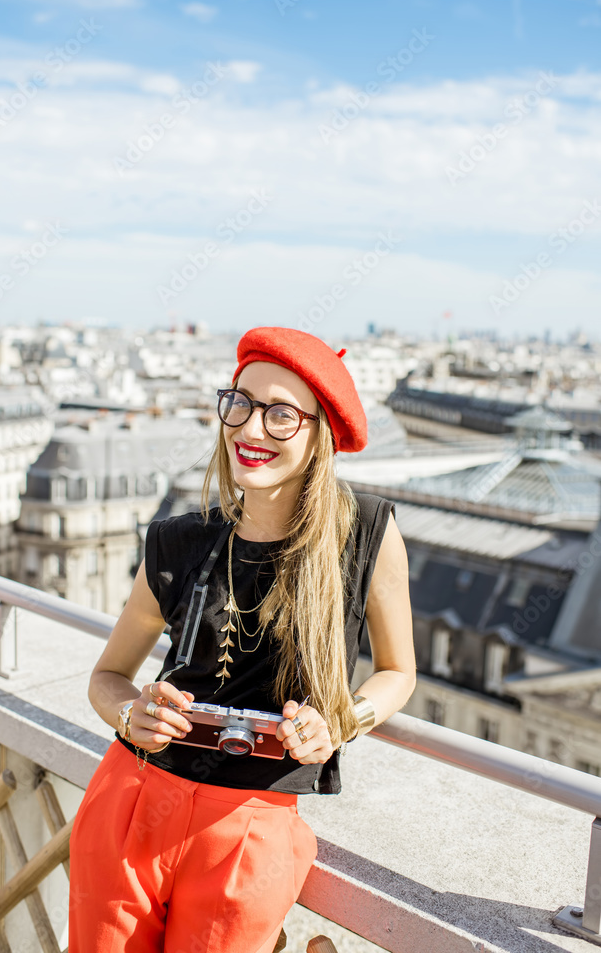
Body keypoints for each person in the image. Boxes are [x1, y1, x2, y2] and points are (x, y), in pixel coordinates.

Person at [67, 325, 416, 953]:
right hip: (134, 796)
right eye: (241, 404)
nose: (251, 430)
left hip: (254, 819)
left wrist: (340, 722)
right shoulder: (178, 539)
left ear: (319, 434)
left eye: (281, 415)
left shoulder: (365, 533)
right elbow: (107, 677)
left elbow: (398, 672)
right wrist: (130, 712)